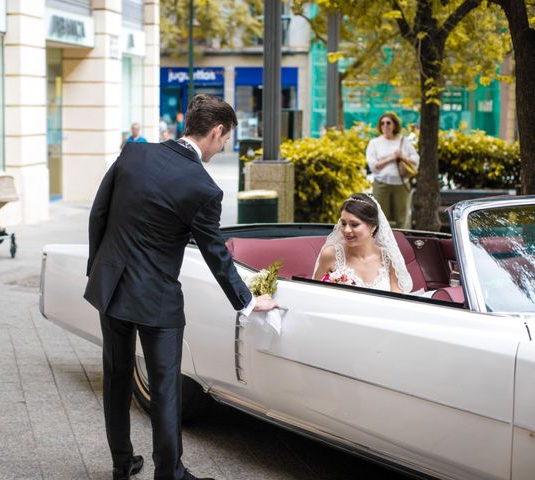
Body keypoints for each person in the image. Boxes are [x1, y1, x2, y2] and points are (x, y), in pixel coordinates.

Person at [85, 94, 278, 480]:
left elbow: (99, 213)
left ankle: (122, 464)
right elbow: (215, 254)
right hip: (157, 301)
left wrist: (100, 270)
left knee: (117, 377)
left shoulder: (133, 154)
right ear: (216, 130)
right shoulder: (203, 188)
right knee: (165, 388)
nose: (223, 147)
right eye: (225, 140)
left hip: (112, 288)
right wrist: (247, 300)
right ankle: (168, 473)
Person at [313, 193, 412, 293]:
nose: (346, 230)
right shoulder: (330, 255)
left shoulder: (389, 258)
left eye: (354, 224)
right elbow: (316, 294)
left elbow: (397, 299)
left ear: (373, 226)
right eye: (343, 223)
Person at [366, 112, 420, 229]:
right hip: (381, 185)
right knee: (380, 218)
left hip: (401, 184)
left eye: (388, 123)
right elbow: (373, 166)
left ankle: (403, 244)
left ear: (394, 125)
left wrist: (402, 157)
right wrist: (392, 158)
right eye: (382, 123)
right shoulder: (374, 143)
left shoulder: (404, 141)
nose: (385, 125)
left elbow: (416, 161)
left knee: (402, 219)